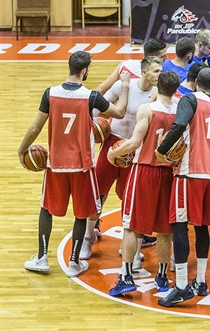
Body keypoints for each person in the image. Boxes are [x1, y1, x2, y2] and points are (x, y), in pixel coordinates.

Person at [19, 51, 129, 277]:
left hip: (56, 163)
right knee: (82, 212)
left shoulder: (50, 93)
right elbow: (118, 112)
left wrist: (22, 150)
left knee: (46, 208)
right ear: (85, 70)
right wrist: (125, 88)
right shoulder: (90, 97)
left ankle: (41, 258)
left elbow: (34, 128)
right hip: (82, 165)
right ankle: (73, 263)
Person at [156, 68, 210, 307]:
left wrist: (161, 150)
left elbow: (179, 125)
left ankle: (181, 286)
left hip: (189, 172)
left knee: (179, 225)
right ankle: (200, 281)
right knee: (202, 228)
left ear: (196, 82)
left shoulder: (189, 99)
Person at [106, 71, 180, 296]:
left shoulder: (147, 109)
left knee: (131, 225)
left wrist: (113, 154)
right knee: (165, 230)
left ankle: (126, 276)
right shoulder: (182, 111)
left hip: (144, 171)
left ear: (159, 86)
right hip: (168, 173)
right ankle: (162, 276)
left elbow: (135, 142)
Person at [81, 57, 161, 262]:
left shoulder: (157, 94)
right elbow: (96, 110)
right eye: (156, 71)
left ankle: (131, 247)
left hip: (135, 149)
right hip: (112, 143)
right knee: (98, 192)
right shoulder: (122, 85)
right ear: (144, 72)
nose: (159, 75)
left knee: (132, 199)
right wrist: (97, 128)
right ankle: (88, 237)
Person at [96, 38, 168, 95]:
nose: (166, 58)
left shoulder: (126, 64)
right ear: (153, 57)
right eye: (163, 56)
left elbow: (101, 89)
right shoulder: (157, 76)